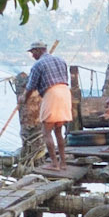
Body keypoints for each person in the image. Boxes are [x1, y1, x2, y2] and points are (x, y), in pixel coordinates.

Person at [26, 41, 72, 169]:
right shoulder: (61, 60)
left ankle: (54, 163)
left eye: (33, 52)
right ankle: (63, 163)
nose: (32, 55)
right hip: (65, 93)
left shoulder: (38, 65)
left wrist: (23, 99)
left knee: (46, 131)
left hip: (52, 94)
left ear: (38, 51)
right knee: (58, 131)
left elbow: (31, 87)